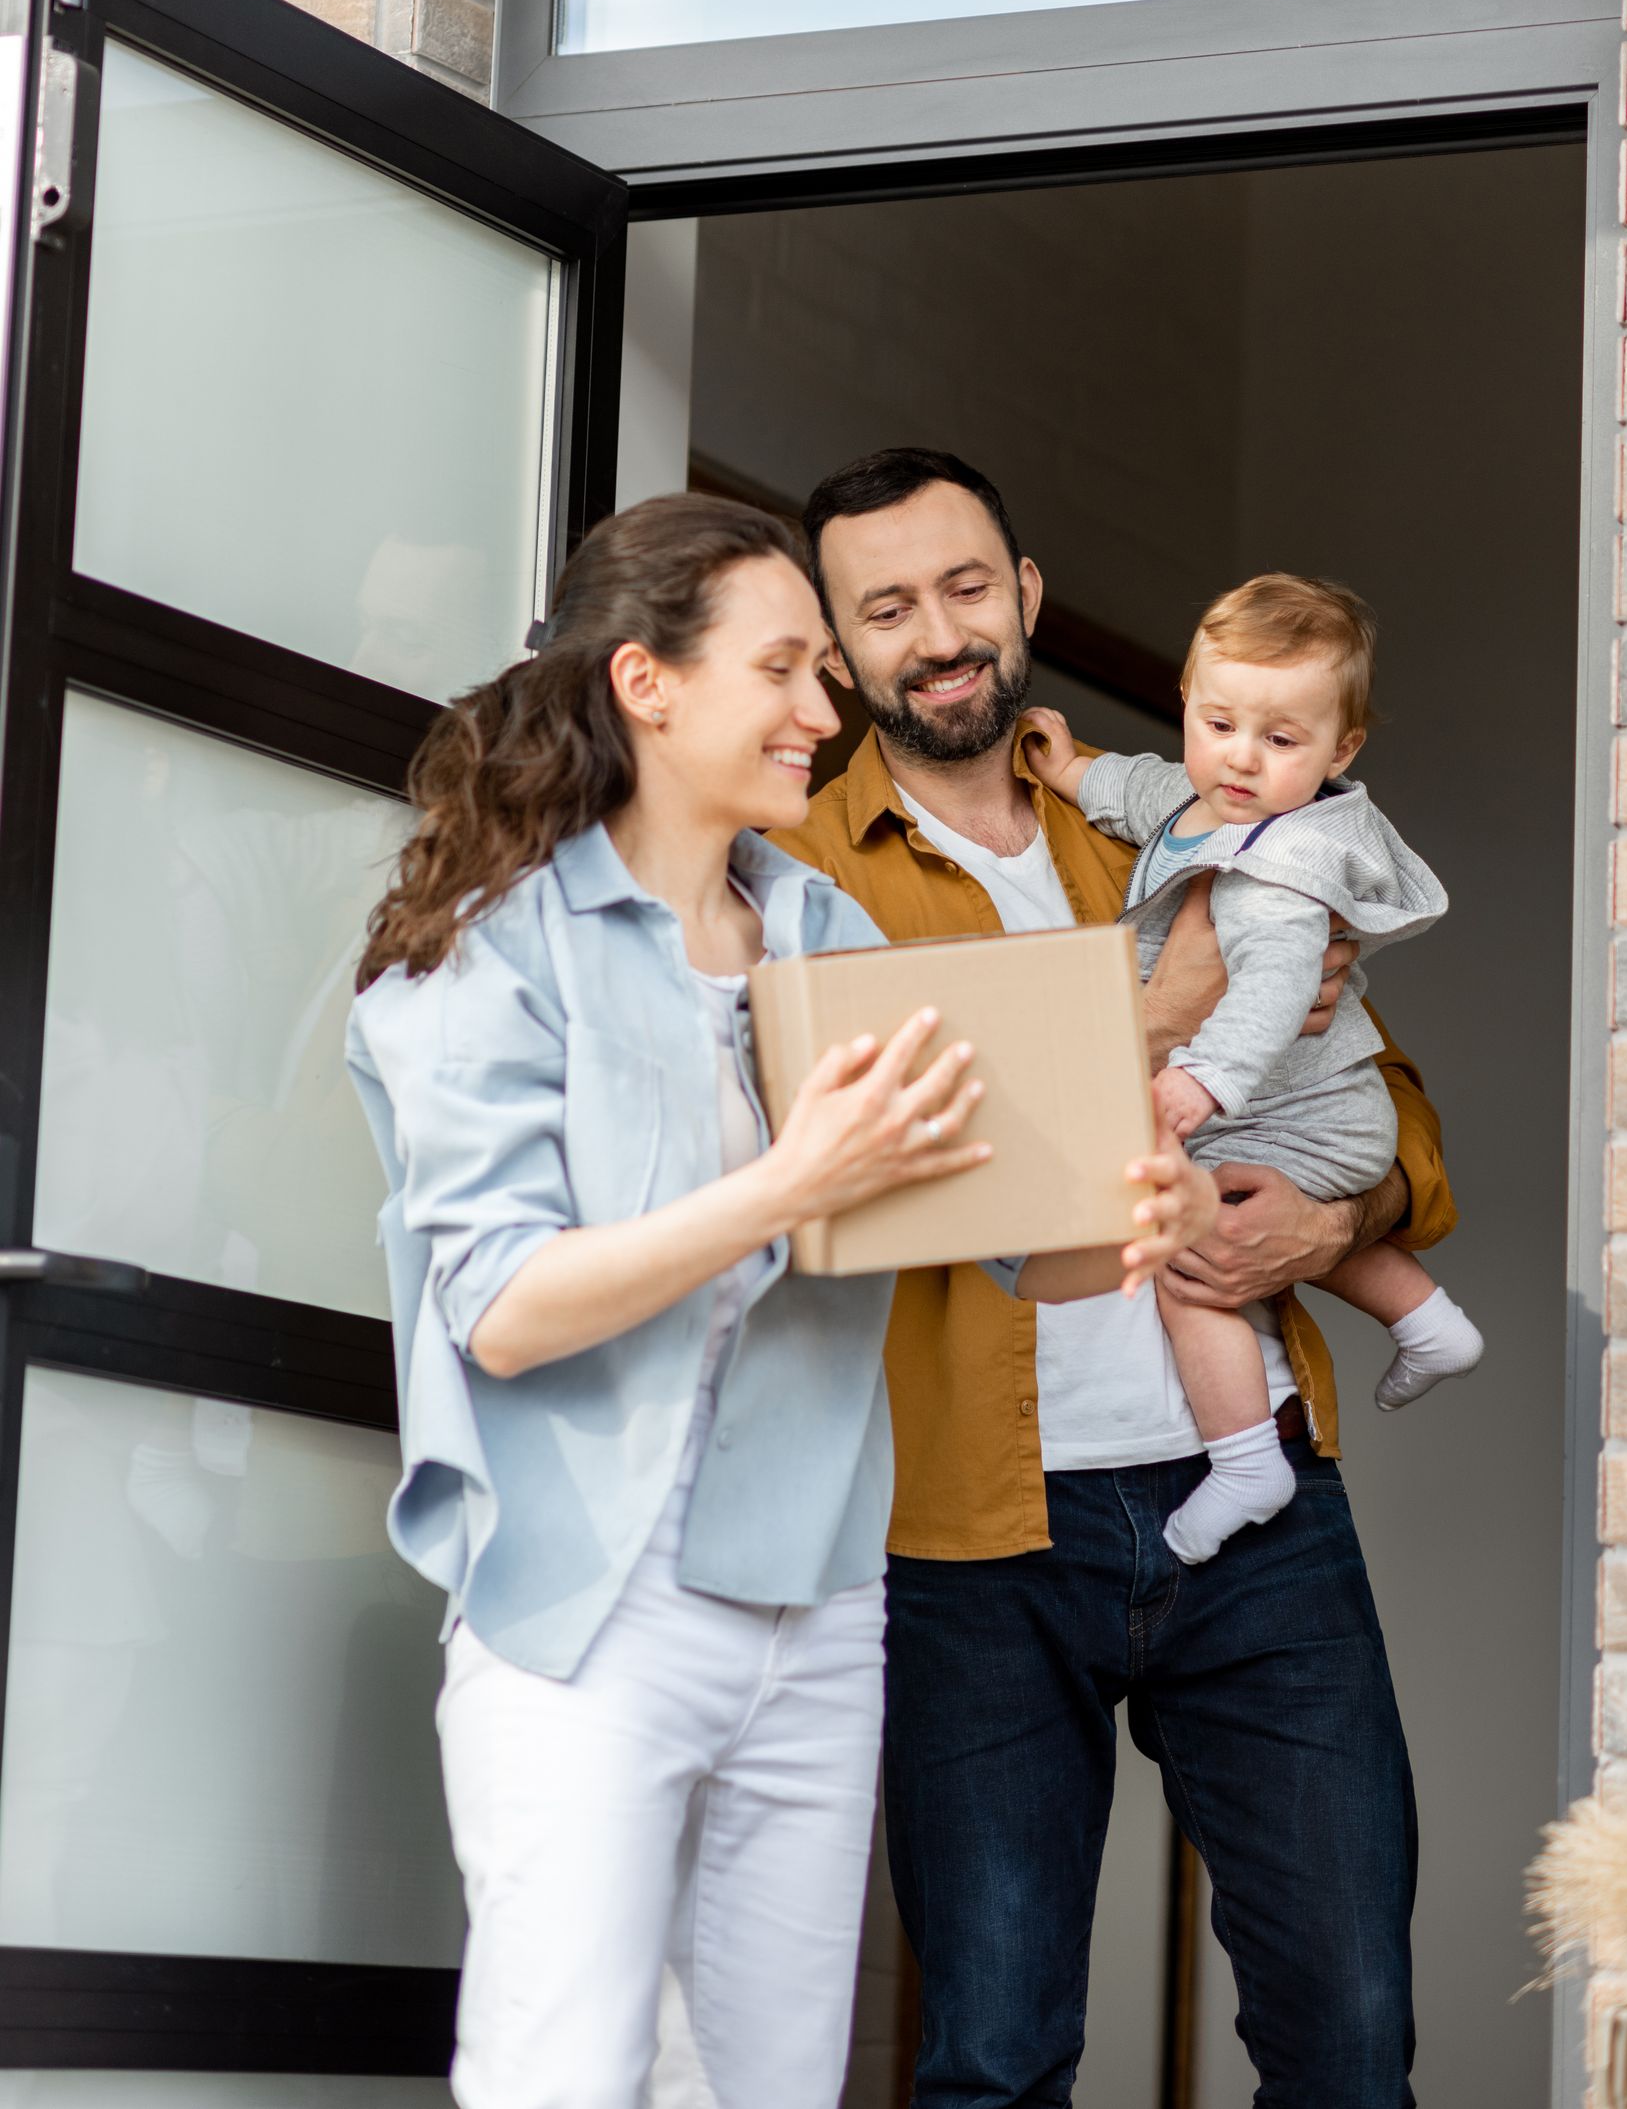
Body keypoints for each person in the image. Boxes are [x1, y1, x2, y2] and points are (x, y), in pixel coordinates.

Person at [345, 492, 1213, 2109]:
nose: (828, 711)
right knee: (568, 2075)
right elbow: (504, 1309)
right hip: (586, 1608)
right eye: (787, 669)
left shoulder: (830, 927)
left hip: (813, 1609)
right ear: (644, 683)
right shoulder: (487, 949)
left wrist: (1129, 1219)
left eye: (830, 670)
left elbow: (1010, 1241)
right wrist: (786, 1184)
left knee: (767, 2091)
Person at [777, 447, 1459, 2109]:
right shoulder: (801, 878)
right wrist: (1148, 1022)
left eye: (962, 587)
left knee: (1353, 2032)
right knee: (996, 2055)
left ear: (1021, 591)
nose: (935, 634)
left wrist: (1328, 1217)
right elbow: (863, 1190)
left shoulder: (1195, 817)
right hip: (970, 1538)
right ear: (840, 646)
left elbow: (1397, 1130)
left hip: (1262, 1507)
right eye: (884, 609)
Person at [1026, 566, 1483, 1570]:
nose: (1239, 760)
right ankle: (1431, 1322)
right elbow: (1149, 790)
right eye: (1219, 724)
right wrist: (1070, 773)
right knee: (1277, 1213)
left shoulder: (1276, 870)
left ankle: (1243, 1462)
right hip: (1327, 1115)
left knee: (1200, 1268)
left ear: (1340, 750)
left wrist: (1205, 1080)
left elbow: (1277, 987)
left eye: (1281, 742)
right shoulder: (1206, 800)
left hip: (1298, 1111)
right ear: (1188, 704)